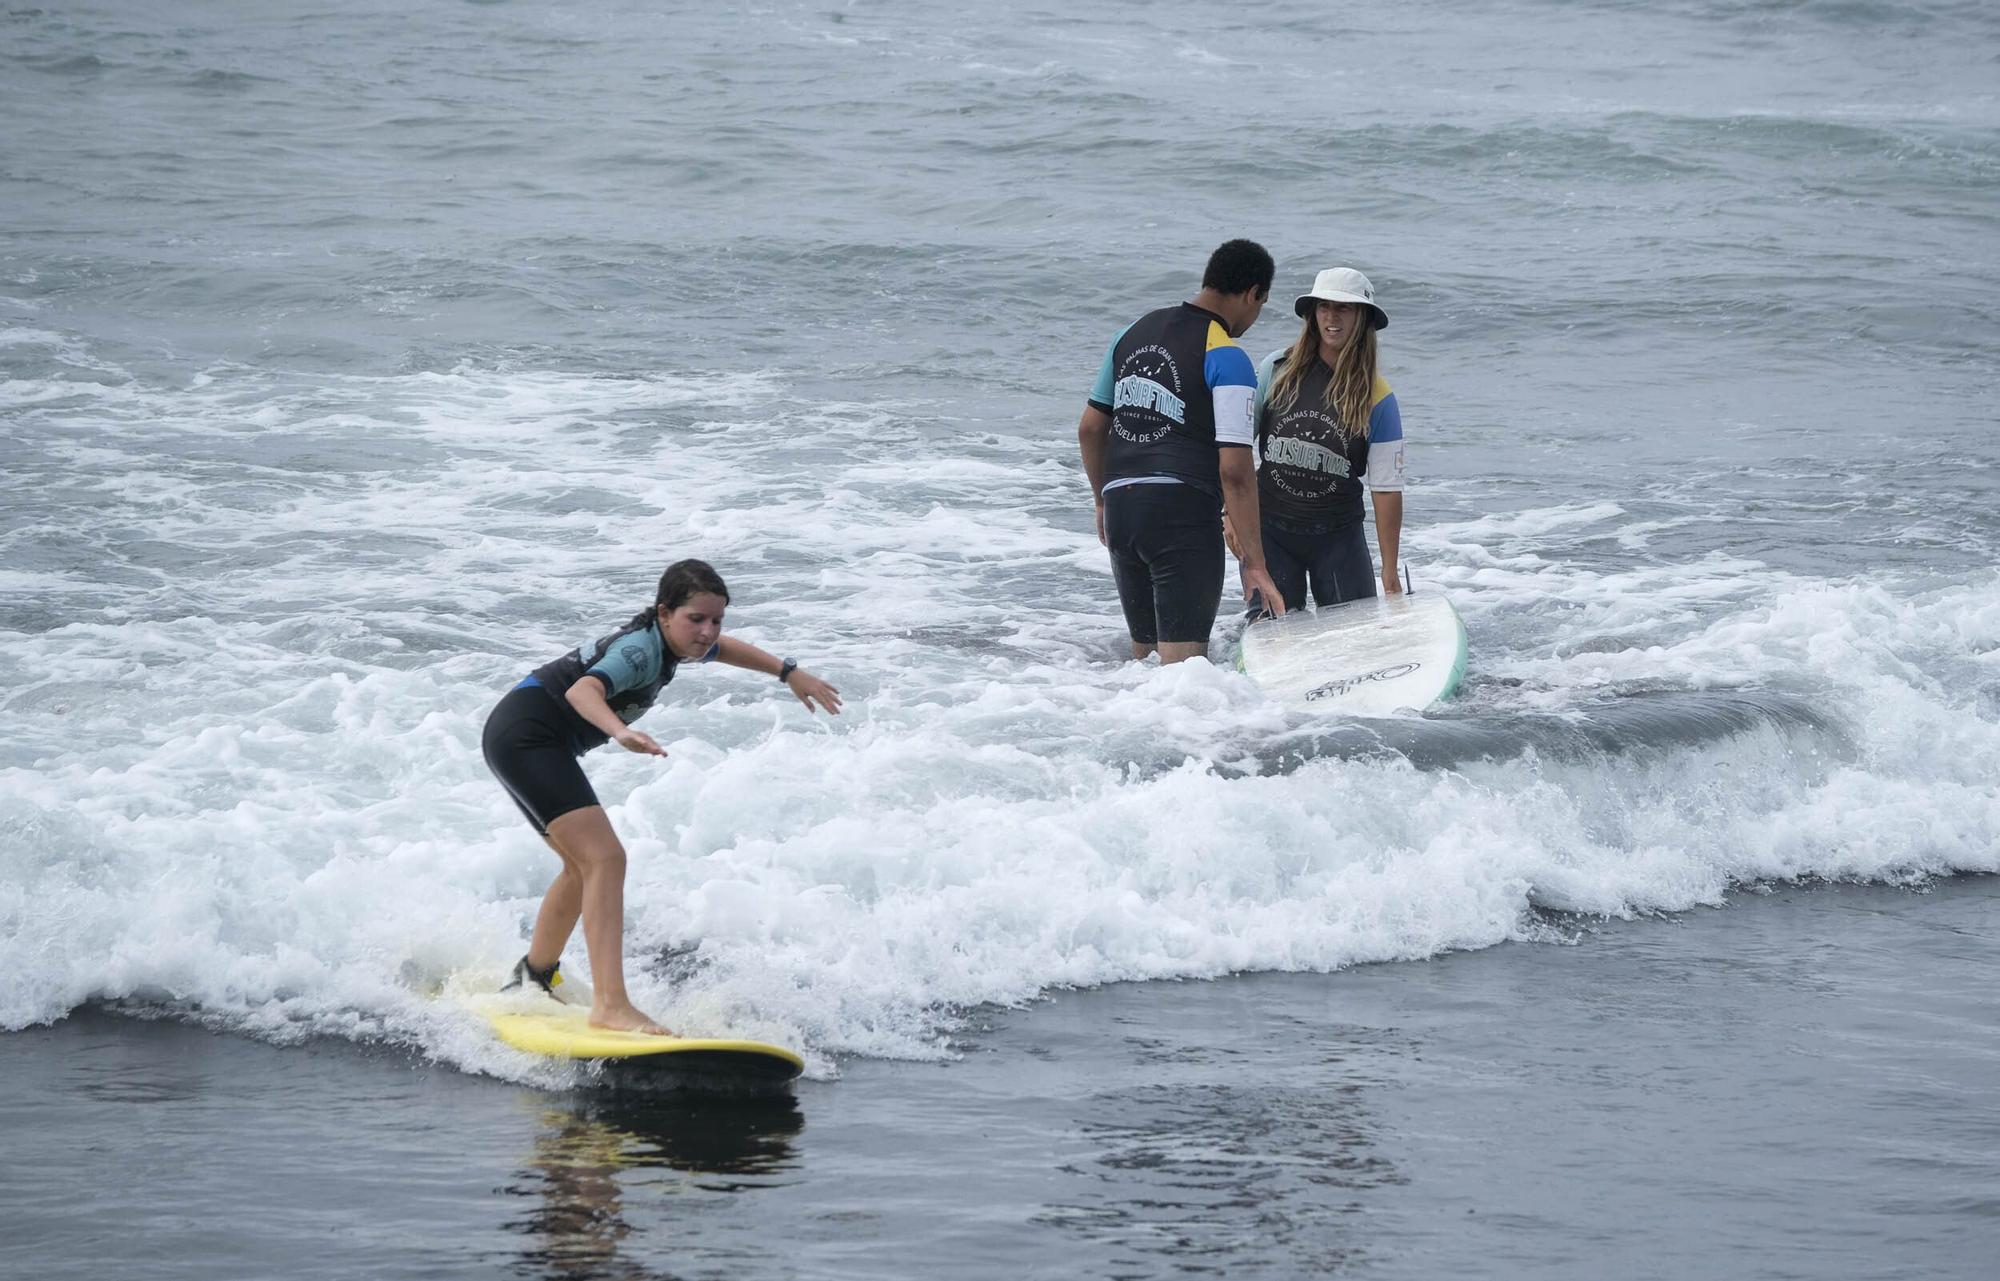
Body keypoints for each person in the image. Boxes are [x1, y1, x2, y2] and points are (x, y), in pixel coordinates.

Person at [480, 559, 840, 1036]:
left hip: (520, 735)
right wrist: (619, 730)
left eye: (717, 619)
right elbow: (583, 691)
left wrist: (788, 672)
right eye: (697, 619)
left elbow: (723, 649)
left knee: (581, 865)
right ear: (664, 612)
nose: (708, 631)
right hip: (528, 738)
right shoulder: (638, 652)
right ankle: (611, 1005)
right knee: (606, 859)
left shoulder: (670, 640)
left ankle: (533, 977)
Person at [1076, 239, 1287, 664]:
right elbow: (1235, 470)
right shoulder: (1227, 354)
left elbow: (1090, 428)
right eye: (1261, 304)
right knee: (1182, 675)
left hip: (1122, 509)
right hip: (1180, 516)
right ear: (1253, 294)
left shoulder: (1129, 334)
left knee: (1145, 665)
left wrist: (1102, 500)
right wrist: (1255, 562)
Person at [1244, 266, 1406, 612]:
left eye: (1344, 308)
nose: (1332, 317)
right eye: (1324, 307)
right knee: (1271, 637)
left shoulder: (1378, 397)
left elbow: (1387, 487)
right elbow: (1236, 446)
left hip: (1338, 538)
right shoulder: (1275, 369)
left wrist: (1389, 571)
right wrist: (1230, 515)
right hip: (1271, 532)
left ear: (1362, 318)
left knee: (1355, 645)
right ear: (1312, 315)